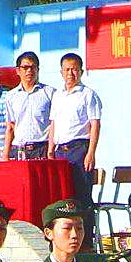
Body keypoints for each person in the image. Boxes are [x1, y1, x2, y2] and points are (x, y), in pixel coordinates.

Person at [49, 54, 103, 207]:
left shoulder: (88, 94)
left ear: (81, 72)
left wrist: (91, 153)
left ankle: (87, 224)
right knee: (61, 197)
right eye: (67, 70)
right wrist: (50, 150)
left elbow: (95, 124)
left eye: (74, 69)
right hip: (60, 152)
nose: (70, 73)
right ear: (61, 72)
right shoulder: (57, 95)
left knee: (81, 196)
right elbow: (53, 124)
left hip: (79, 150)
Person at [6, 53, 53, 161]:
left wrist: (50, 151)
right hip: (19, 149)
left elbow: (54, 124)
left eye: (33, 67)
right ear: (18, 70)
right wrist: (5, 155)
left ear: (38, 69)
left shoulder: (50, 93)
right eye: (25, 67)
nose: (29, 71)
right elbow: (10, 127)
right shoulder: (11, 96)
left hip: (42, 148)